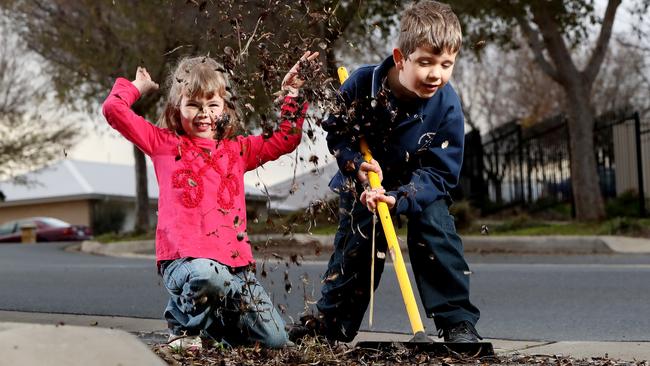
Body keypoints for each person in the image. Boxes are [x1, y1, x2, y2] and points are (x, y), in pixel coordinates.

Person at [289, 1, 482, 343]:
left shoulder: (447, 104)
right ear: (400, 57)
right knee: (357, 241)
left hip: (418, 184)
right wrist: (354, 163)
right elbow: (337, 130)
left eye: (446, 64)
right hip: (366, 181)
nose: (436, 74)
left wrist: (400, 196)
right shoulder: (362, 86)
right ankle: (332, 322)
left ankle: (457, 323)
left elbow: (441, 173)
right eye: (425, 62)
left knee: (437, 231)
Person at [102, 51, 318, 350]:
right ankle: (182, 324)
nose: (203, 113)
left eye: (212, 105)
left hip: (235, 269)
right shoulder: (163, 144)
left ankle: (213, 330)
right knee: (208, 274)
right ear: (177, 109)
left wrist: (292, 94)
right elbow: (113, 110)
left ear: (225, 108)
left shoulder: (238, 150)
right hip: (185, 264)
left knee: (276, 341)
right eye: (193, 105)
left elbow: (286, 138)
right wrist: (137, 87)